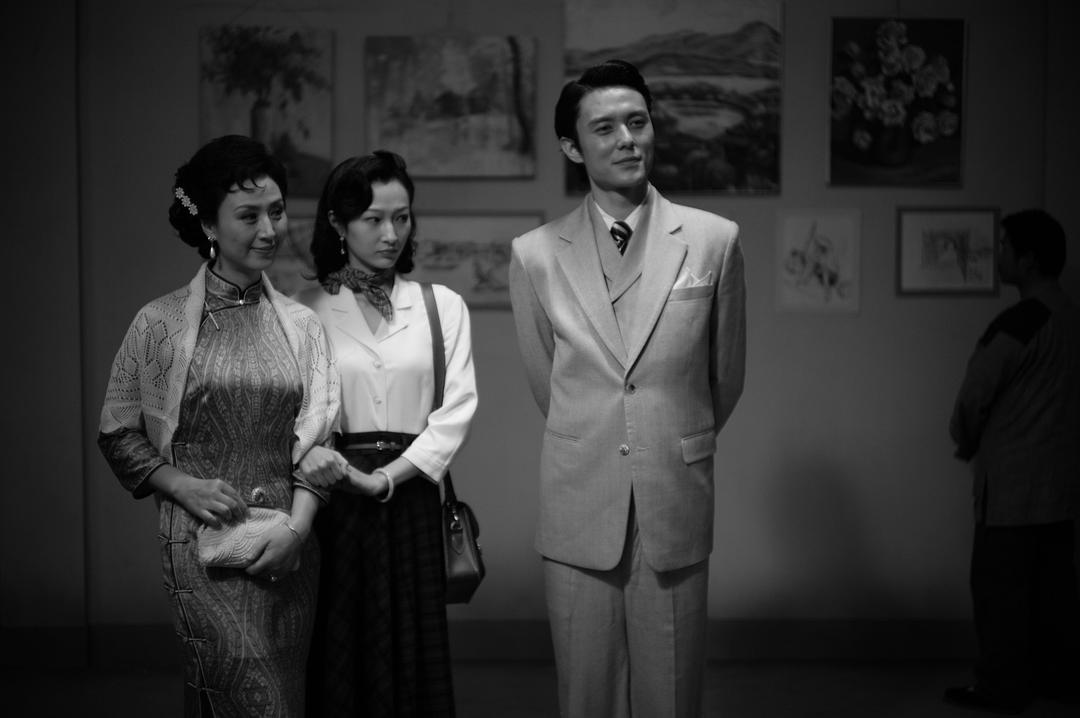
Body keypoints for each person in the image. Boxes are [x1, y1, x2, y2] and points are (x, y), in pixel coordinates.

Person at [508, 59, 747, 718]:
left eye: (637, 122)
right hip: (579, 491)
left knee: (673, 690)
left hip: (673, 490)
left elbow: (725, 376)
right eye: (605, 128)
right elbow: (547, 381)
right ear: (571, 147)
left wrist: (666, 434)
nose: (627, 140)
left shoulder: (713, 240)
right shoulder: (535, 254)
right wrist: (602, 432)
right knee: (585, 692)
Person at [98, 134, 342, 716]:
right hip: (202, 546)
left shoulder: (304, 326)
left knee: (282, 698)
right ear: (208, 223)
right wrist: (183, 485)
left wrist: (297, 533)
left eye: (276, 212)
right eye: (249, 215)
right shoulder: (159, 323)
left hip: (289, 547)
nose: (269, 229)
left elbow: (321, 440)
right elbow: (117, 432)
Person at [295, 150, 478, 718]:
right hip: (333, 498)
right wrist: (330, 465)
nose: (391, 234)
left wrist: (387, 479)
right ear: (337, 222)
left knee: (412, 650)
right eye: (373, 219)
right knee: (341, 647)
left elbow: (456, 410)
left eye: (401, 217)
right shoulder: (303, 311)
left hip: (412, 491)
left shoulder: (441, 306)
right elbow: (294, 416)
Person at [945, 209, 1080, 715]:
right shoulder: (1071, 317)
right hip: (1060, 485)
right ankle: (1055, 681)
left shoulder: (1021, 321)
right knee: (1053, 591)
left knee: (999, 590)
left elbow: (973, 396)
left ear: (1029, 259)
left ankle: (1000, 687)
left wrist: (964, 439)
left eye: (1004, 246)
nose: (998, 254)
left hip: (1012, 487)